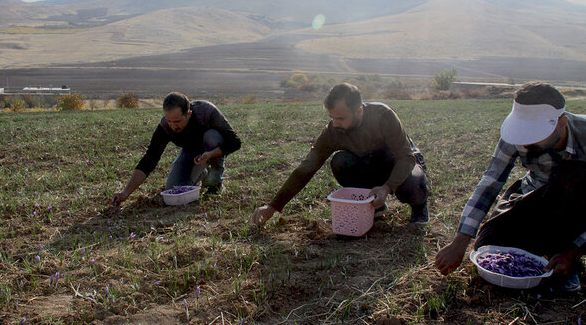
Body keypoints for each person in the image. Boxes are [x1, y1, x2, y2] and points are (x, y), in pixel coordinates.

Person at [435, 82, 586, 292]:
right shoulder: (516, 137)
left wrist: (572, 250)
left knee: (573, 175)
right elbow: (490, 183)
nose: (524, 143)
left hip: (579, 207)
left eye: (534, 135)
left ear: (562, 123)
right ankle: (545, 247)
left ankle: (565, 263)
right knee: (488, 243)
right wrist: (460, 242)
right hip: (536, 195)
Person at [252, 83, 429, 228]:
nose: (335, 124)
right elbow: (306, 168)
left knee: (410, 183)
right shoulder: (333, 131)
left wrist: (387, 187)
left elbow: (406, 157)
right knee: (340, 162)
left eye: (341, 119)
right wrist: (274, 206)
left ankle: (419, 207)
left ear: (359, 111)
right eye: (332, 118)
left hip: (400, 162)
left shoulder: (383, 115)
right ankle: (374, 205)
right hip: (369, 164)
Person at [111, 92, 241, 205]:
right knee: (173, 188)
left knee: (212, 137)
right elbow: (150, 158)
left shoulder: (206, 111)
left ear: (189, 114)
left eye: (177, 122)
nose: (173, 126)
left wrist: (210, 154)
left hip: (212, 149)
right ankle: (203, 172)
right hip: (191, 153)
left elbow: (235, 142)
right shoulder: (165, 127)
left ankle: (215, 182)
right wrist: (125, 193)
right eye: (169, 121)